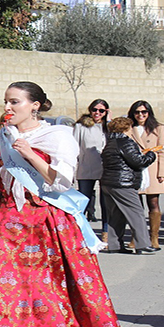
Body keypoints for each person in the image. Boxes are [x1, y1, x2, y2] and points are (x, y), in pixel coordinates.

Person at [0, 82, 127, 327]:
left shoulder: (58, 135)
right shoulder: (4, 135)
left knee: (58, 293)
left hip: (47, 221)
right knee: (9, 296)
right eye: (6, 101)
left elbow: (62, 181)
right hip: (9, 222)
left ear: (36, 105)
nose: (7, 108)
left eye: (14, 102)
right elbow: (7, 171)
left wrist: (30, 154)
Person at [101, 117, 158, 254]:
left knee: (116, 214)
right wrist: (151, 155)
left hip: (108, 182)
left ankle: (114, 245)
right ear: (126, 128)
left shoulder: (110, 142)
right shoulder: (125, 142)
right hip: (123, 183)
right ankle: (142, 243)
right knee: (136, 213)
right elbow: (138, 162)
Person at [128, 101, 164, 251]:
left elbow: (163, 151)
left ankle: (154, 237)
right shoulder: (130, 128)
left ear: (149, 113)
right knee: (136, 206)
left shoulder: (158, 128)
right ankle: (136, 236)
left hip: (152, 168)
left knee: (154, 203)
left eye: (144, 112)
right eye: (137, 112)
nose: (140, 115)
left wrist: (162, 172)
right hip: (135, 169)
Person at [74, 100, 109, 236]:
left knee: (106, 203)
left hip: (106, 169)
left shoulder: (108, 127)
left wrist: (110, 122)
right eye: (95, 109)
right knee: (84, 201)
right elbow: (75, 146)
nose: (97, 113)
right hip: (86, 167)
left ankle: (106, 232)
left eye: (101, 111)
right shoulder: (81, 126)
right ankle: (80, 233)